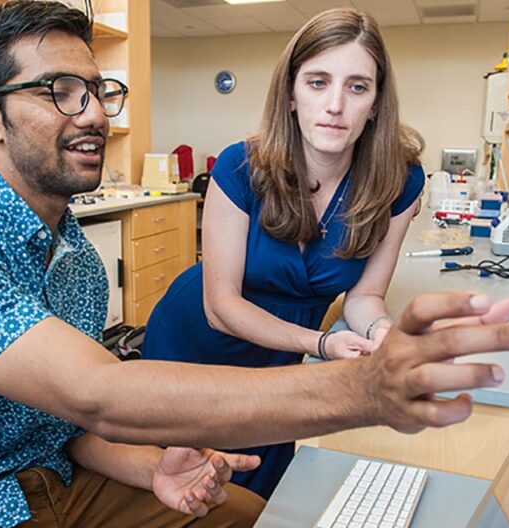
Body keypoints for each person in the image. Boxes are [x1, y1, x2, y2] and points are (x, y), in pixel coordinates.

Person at [0, 2, 509, 527]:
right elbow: (97, 395)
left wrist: (156, 466)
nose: (93, 115)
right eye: (59, 92)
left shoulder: (77, 260)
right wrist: (361, 387)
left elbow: (68, 427)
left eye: (98, 91)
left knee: (252, 515)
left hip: (53, 477)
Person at [141, 8, 426, 498]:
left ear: (377, 103)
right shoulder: (240, 167)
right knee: (177, 490)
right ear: (291, 94)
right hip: (196, 344)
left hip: (280, 359)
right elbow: (220, 306)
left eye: (357, 87)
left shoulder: (399, 181)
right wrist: (319, 344)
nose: (335, 104)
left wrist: (384, 333)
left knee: (253, 498)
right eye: (318, 82)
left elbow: (365, 297)